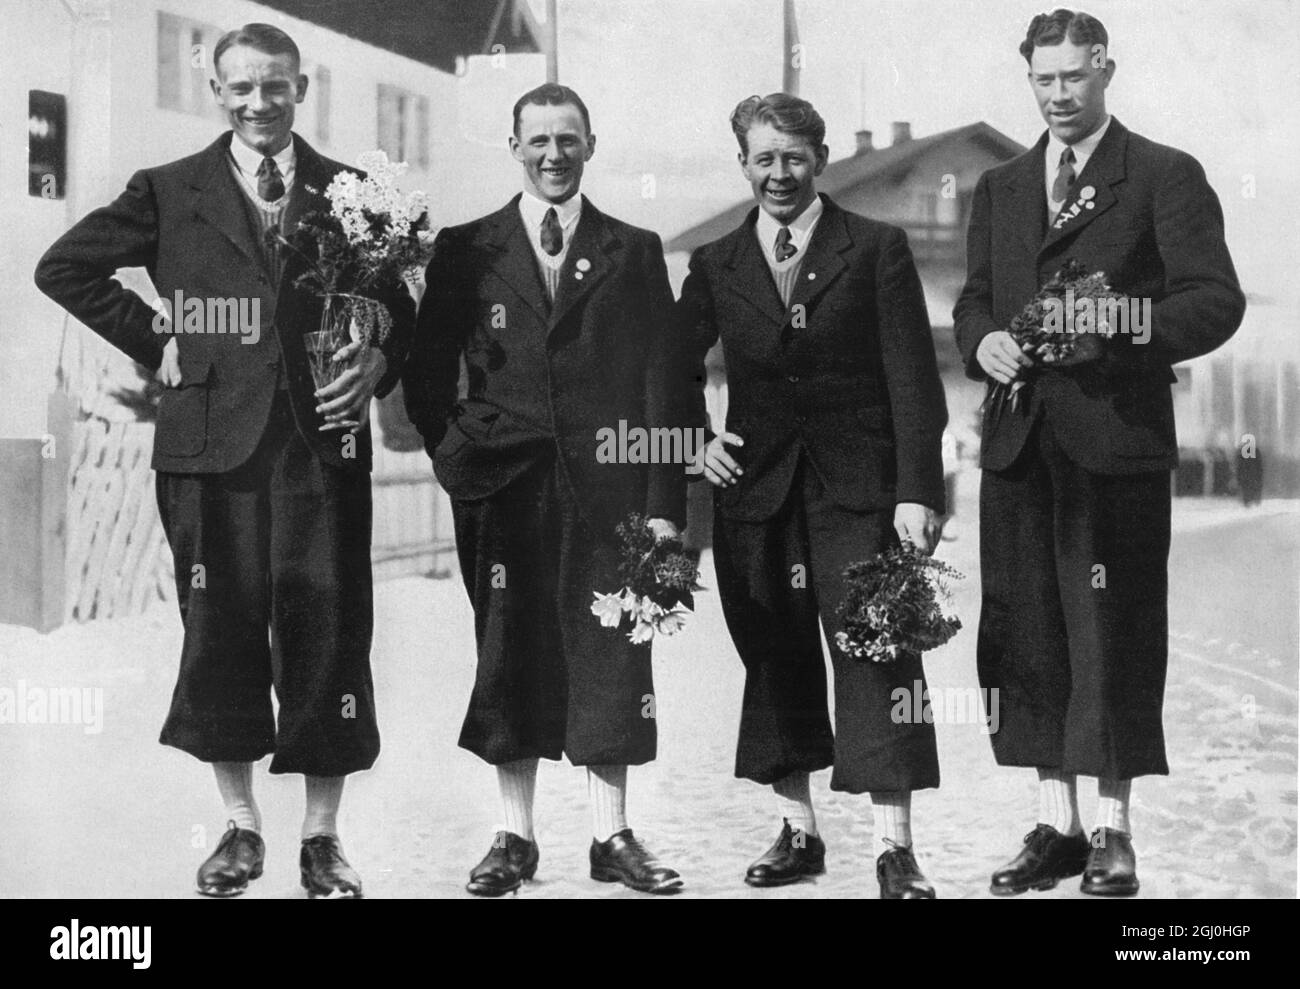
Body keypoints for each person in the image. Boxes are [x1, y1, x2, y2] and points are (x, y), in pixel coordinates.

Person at [34, 23, 414, 899]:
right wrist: (155, 336)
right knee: (222, 630)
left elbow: (399, 306)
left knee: (327, 631)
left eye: (274, 87)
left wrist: (377, 358)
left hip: (323, 441)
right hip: (208, 450)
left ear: (301, 89)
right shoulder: (170, 190)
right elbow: (66, 267)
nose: (257, 103)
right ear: (217, 90)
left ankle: (323, 837)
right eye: (240, 87)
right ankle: (239, 828)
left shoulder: (354, 192)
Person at [953, 8, 1245, 896]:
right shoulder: (1000, 187)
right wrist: (983, 344)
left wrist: (1118, 326)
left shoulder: (1162, 175)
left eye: (1073, 77)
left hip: (1113, 447)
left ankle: (1114, 831)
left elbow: (1214, 302)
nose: (1058, 96)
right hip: (1018, 449)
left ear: (1106, 72)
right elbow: (971, 302)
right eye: (1043, 80)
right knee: (1029, 637)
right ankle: (1056, 826)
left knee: (1110, 636)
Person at [403, 83, 689, 896]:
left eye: (569, 140)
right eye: (539, 141)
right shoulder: (467, 248)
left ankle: (612, 837)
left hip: (612, 493)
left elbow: (663, 382)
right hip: (501, 487)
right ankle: (514, 837)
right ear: (515, 146)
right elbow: (426, 372)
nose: (554, 155)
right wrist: (455, 450)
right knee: (508, 650)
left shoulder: (633, 249)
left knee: (612, 655)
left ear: (591, 145)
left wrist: (664, 507)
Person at [678, 93, 949, 898]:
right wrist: (696, 437)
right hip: (757, 494)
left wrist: (915, 491)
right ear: (743, 165)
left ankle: (895, 847)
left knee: (878, 654)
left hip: (859, 495)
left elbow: (914, 380)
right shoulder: (716, 264)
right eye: (763, 158)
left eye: (794, 157)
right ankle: (799, 831)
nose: (779, 174)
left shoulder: (876, 249)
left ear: (821, 160)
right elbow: (668, 364)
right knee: (775, 654)